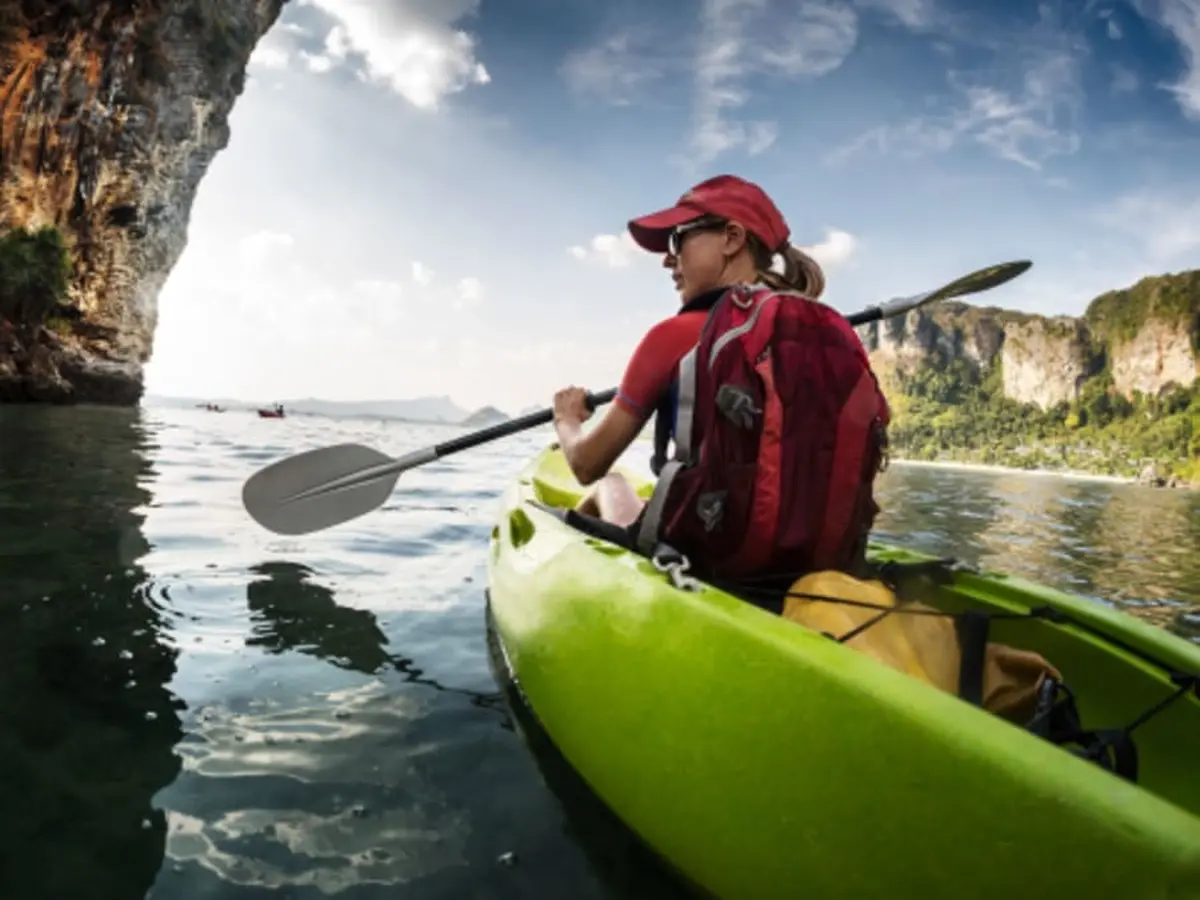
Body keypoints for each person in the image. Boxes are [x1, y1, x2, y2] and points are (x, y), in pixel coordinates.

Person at [551, 174, 826, 529]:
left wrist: (567, 420)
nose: (669, 259)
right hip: (801, 548)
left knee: (611, 482)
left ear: (732, 238)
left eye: (678, 239)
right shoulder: (815, 335)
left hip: (705, 554)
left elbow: (587, 465)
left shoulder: (673, 338)